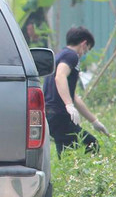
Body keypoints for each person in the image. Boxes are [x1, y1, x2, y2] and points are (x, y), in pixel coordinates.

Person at [43, 26, 108, 154]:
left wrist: (94, 121)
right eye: (87, 50)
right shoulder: (72, 56)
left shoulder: (61, 55)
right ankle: (83, 174)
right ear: (84, 44)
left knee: (68, 152)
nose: (84, 54)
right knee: (90, 145)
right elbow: (60, 76)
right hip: (59, 113)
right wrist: (68, 105)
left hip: (52, 114)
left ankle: (72, 174)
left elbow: (74, 97)